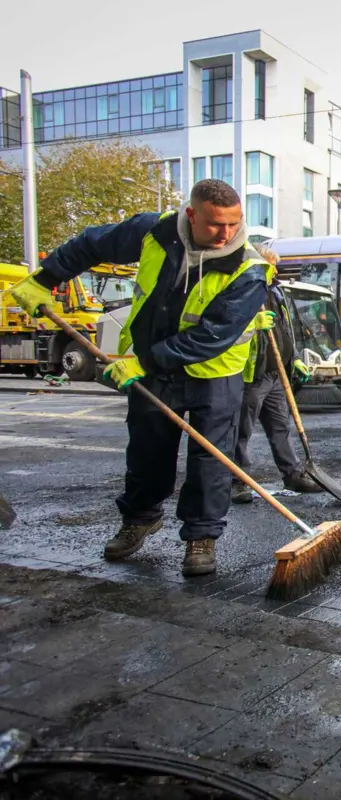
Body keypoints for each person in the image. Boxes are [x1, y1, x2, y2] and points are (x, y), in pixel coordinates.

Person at [9, 179, 269, 576]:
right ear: (191, 215)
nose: (227, 234)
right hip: (153, 369)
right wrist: (46, 278)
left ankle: (201, 536)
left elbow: (212, 335)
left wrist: (145, 363)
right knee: (148, 450)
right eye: (216, 224)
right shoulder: (155, 232)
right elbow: (93, 243)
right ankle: (141, 518)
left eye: (234, 224)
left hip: (214, 373)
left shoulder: (248, 269)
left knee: (210, 460)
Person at [231, 246, 322, 503]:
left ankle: (292, 474)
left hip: (275, 374)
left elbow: (283, 331)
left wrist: (293, 359)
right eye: (270, 265)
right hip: (252, 375)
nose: (275, 271)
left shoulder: (275, 292)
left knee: (280, 427)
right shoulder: (245, 290)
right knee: (241, 430)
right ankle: (239, 481)